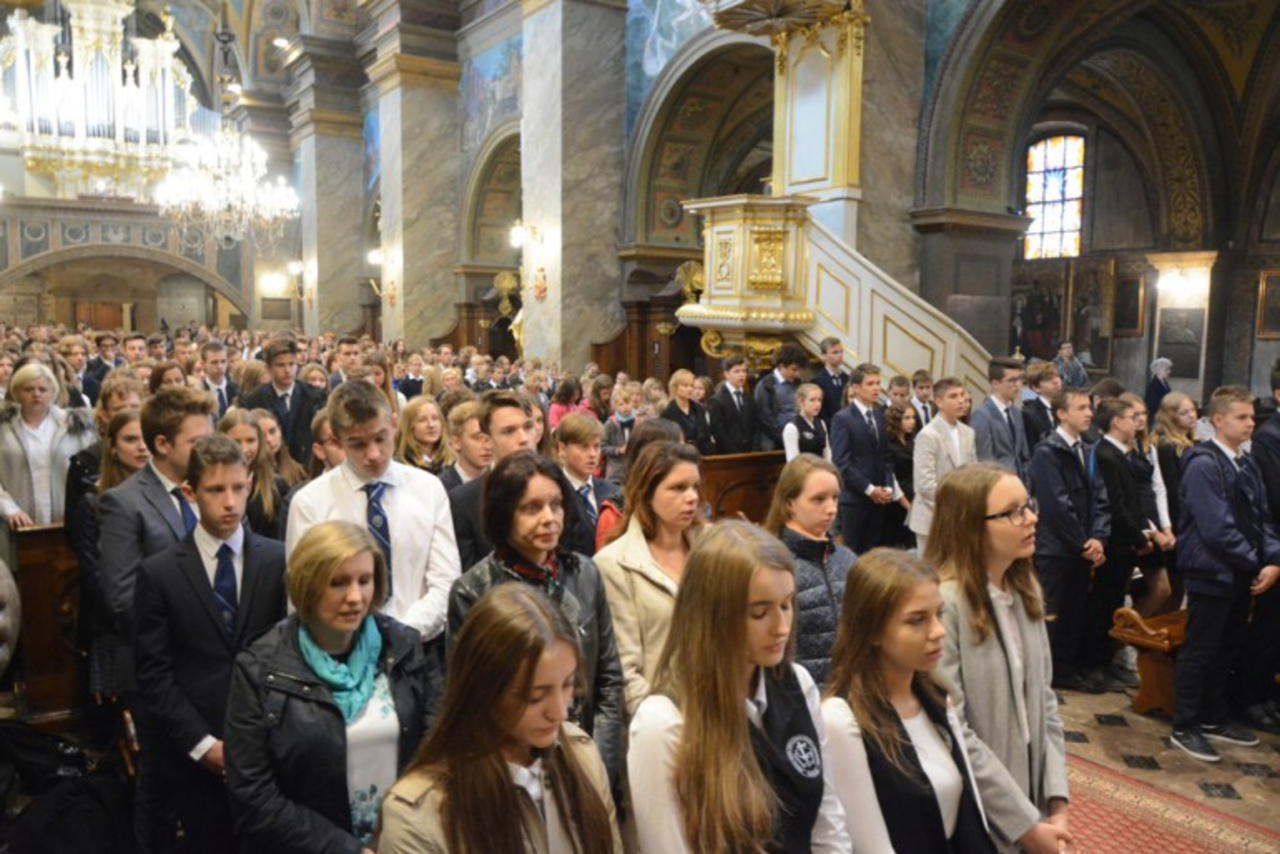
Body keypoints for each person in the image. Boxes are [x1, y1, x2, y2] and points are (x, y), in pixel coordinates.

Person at [628, 520, 850, 853]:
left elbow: (828, 828)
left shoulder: (797, 683)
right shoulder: (663, 723)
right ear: (713, 615)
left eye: (787, 605)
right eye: (760, 613)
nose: (782, 627)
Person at [225, 521, 435, 852]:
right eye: (338, 583)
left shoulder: (404, 646)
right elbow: (253, 796)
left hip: (402, 840)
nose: (355, 597)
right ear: (307, 584)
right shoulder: (258, 669)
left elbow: (436, 747)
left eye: (364, 581)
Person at [380, 584, 621, 853]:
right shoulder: (417, 817)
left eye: (568, 685)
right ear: (483, 691)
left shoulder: (582, 757)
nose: (560, 712)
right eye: (535, 697)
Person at [133, 436, 287, 854]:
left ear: (250, 485)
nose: (230, 502)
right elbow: (154, 673)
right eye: (216, 490)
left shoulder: (277, 560)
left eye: (238, 488)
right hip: (196, 750)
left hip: (268, 745)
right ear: (190, 493)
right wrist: (203, 746)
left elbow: (287, 652)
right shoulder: (160, 573)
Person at [446, 451, 624, 780]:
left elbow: (609, 680)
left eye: (556, 505)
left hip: (585, 755)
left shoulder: (585, 573)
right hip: (511, 764)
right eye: (531, 508)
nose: (549, 518)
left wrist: (598, 764)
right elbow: (471, 700)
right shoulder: (473, 591)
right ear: (503, 513)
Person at [927, 464, 1073, 854]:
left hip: (1033, 800)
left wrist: (1056, 802)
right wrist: (1023, 825)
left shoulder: (1025, 591)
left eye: (1028, 505)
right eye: (1012, 512)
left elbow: (1045, 703)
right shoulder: (944, 605)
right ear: (970, 527)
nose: (1031, 518)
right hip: (983, 813)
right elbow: (954, 728)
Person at [99, 384, 216, 852]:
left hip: (208, 666)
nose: (208, 449)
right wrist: (198, 624)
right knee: (161, 783)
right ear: (162, 444)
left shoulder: (209, 490)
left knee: (204, 782)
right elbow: (122, 598)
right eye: (197, 442)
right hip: (156, 668)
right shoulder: (125, 502)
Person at [822, 549, 997, 853]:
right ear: (872, 631)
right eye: (917, 621)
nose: (938, 632)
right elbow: (871, 847)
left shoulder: (936, 699)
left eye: (939, 614)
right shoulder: (841, 719)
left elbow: (970, 814)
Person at [288, 380, 461, 646]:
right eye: (357, 444)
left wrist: (400, 635)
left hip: (419, 644)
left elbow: (446, 580)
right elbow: (303, 594)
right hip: (340, 649)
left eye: (381, 438)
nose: (373, 454)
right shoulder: (310, 502)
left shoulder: (428, 489)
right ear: (337, 439)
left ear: (393, 424)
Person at [1171, 386, 1280, 762]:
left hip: (1239, 572)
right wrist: (1255, 562)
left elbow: (1263, 517)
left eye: (1251, 417)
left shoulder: (1245, 462)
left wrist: (1273, 559)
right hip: (1211, 570)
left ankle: (1213, 716)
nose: (1251, 424)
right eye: (1241, 417)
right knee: (1200, 649)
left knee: (1226, 646)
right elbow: (1217, 528)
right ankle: (1185, 725)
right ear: (1218, 420)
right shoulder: (1204, 464)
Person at [595, 441, 704, 716]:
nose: (691, 497)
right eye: (678, 488)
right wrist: (665, 726)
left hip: (717, 714)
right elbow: (626, 673)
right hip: (661, 721)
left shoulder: (711, 549)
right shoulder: (615, 564)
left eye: (695, 487)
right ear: (646, 492)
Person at [1027, 388, 1110, 694]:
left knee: (1075, 613)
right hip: (1057, 547)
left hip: (1082, 546)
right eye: (1081, 408)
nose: (1089, 413)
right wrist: (1084, 544)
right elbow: (1056, 505)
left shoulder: (1087, 448)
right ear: (1061, 414)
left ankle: (1065, 670)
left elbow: (1100, 496)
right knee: (1052, 613)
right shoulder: (1048, 451)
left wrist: (1098, 537)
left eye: (1089, 407)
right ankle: (1042, 675)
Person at [764, 454, 854, 687]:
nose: (831, 509)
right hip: (799, 692)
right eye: (818, 499)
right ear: (789, 503)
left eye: (835, 497)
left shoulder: (846, 559)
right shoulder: (770, 564)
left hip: (852, 691)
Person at [1088, 397, 1150, 692]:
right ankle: (1094, 663)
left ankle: (1106, 659)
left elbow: (1135, 499)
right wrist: (1139, 537)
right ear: (1116, 422)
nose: (1137, 423)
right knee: (1102, 606)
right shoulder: (1106, 455)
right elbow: (1116, 506)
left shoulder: (1121, 453)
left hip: (1125, 543)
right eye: (1131, 417)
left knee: (1113, 603)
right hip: (1114, 543)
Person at [0, 363, 96, 536]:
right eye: (28, 389)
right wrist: (10, 510)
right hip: (14, 525)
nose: (36, 394)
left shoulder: (74, 426)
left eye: (42, 389)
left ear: (53, 392)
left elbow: (91, 473)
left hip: (67, 523)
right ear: (17, 391)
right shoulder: (3, 427)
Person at [450, 391, 538, 570]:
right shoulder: (464, 501)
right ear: (487, 440)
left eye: (528, 427)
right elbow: (469, 577)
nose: (524, 439)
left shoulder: (558, 487)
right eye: (509, 431)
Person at [831, 361, 897, 552]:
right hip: (855, 499)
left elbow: (886, 457)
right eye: (870, 384)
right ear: (855, 388)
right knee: (853, 554)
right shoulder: (842, 419)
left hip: (880, 499)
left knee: (874, 554)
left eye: (878, 383)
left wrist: (887, 487)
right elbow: (842, 463)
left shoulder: (879, 416)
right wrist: (869, 489)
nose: (876, 388)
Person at [909, 377, 977, 556]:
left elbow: (973, 474)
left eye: (962, 395)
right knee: (932, 570)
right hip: (933, 517)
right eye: (953, 396)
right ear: (939, 402)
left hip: (962, 517)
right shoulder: (928, 435)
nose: (961, 400)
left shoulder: (968, 432)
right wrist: (955, 505)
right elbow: (924, 485)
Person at [239, 336, 327, 468]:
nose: (287, 370)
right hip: (270, 467)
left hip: (308, 466)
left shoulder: (314, 396)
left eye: (291, 364)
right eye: (280, 365)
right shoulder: (253, 400)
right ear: (269, 368)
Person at [1153, 390, 1198, 612]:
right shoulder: (1166, 446)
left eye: (1193, 410)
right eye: (1184, 412)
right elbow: (1172, 491)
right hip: (1175, 523)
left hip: (1186, 521)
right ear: (1171, 417)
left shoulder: (1190, 443)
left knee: (1179, 587)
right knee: (1174, 586)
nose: (1192, 415)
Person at [555, 412, 621, 556]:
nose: (592, 454)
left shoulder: (613, 492)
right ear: (562, 449)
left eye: (596, 447)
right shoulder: (555, 494)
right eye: (583, 447)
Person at [218, 408, 288, 539]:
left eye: (250, 440)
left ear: (259, 441)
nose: (244, 449)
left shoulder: (276, 486)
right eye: (236, 442)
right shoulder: (210, 485)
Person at [971, 356, 1031, 481]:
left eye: (1020, 379)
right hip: (997, 484)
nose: (1018, 385)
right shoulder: (982, 415)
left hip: (1019, 483)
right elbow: (985, 462)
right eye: (1012, 380)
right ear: (995, 383)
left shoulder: (1016, 413)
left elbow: (1024, 455)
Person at [754, 342, 806, 450]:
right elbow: (765, 418)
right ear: (782, 366)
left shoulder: (798, 383)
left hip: (797, 436)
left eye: (799, 370)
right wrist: (784, 437)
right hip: (773, 441)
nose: (797, 374)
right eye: (794, 369)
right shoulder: (766, 385)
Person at [708, 355, 760, 455]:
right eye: (737, 371)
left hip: (750, 453)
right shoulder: (717, 399)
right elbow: (718, 431)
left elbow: (756, 426)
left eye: (744, 371)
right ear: (726, 374)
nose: (742, 375)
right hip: (728, 454)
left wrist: (754, 449)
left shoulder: (749, 398)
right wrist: (734, 453)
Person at [437, 400, 491, 493]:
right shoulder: (440, 488)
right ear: (456, 443)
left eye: (489, 436)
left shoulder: (504, 481)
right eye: (478, 438)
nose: (488, 446)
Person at [885, 400, 917, 549]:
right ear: (896, 420)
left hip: (914, 492)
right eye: (907, 418)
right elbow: (891, 476)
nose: (912, 422)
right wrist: (907, 505)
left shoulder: (912, 440)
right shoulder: (888, 443)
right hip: (898, 498)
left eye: (913, 417)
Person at [659, 369, 713, 456]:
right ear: (675, 387)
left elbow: (706, 436)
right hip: (679, 456)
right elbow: (667, 443)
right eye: (685, 386)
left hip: (701, 455)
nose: (690, 389)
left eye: (691, 386)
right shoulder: (667, 413)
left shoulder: (699, 409)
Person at [395, 395, 452, 475]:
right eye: (422, 420)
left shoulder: (454, 460)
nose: (431, 425)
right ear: (409, 426)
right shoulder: (399, 466)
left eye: (435, 418)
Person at [782, 382, 831, 461]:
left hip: (821, 466)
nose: (817, 404)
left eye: (819, 400)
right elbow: (793, 460)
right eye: (812, 400)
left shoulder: (821, 423)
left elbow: (827, 453)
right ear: (801, 402)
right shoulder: (791, 427)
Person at [602, 384, 640, 484]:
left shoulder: (638, 422)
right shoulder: (610, 423)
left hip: (634, 469)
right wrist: (618, 450)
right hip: (616, 471)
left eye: (627, 403)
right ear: (615, 406)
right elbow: (603, 446)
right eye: (621, 404)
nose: (625, 407)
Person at [1022, 362, 1061, 450]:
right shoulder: (1029, 414)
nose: (1056, 381)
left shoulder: (1064, 408)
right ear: (1036, 387)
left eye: (1057, 376)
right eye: (1048, 379)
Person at [812, 336, 848, 427]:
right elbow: (820, 411)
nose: (840, 355)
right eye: (835, 352)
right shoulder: (817, 381)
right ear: (823, 355)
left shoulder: (848, 378)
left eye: (841, 352)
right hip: (829, 427)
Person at [200, 340, 240, 417]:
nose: (220, 366)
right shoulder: (200, 391)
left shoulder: (237, 389)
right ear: (203, 364)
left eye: (223, 361)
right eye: (214, 362)